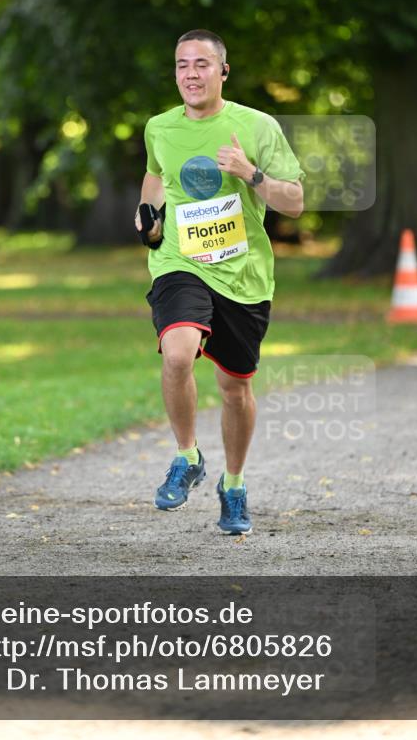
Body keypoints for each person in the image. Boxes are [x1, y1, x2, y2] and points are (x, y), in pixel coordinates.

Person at [135, 29, 304, 536]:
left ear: (222, 72)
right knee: (178, 353)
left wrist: (251, 174)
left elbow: (293, 201)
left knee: (234, 388)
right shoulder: (159, 128)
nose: (191, 73)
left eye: (202, 64)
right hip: (179, 263)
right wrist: (148, 219)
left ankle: (233, 486)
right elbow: (154, 177)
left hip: (244, 275)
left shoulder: (256, 125)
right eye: (183, 65)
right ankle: (187, 457)